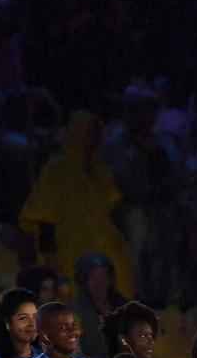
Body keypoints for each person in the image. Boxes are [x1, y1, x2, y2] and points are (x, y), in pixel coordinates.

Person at [18, 111, 136, 297]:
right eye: (89, 135)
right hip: (69, 248)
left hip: (105, 248)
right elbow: (44, 218)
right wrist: (50, 260)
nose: (93, 141)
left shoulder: (101, 171)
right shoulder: (57, 170)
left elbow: (113, 208)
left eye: (96, 136)